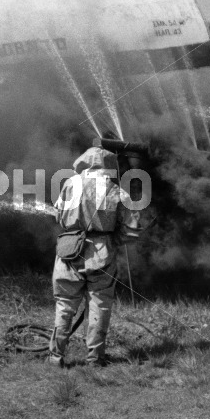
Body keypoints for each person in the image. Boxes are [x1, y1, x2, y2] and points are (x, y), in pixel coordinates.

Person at [49, 146, 143, 367]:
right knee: (99, 305)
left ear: (84, 162)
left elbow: (58, 216)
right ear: (110, 165)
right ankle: (95, 358)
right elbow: (132, 229)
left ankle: (55, 357)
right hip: (101, 252)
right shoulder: (116, 191)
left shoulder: (69, 185)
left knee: (64, 305)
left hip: (69, 250)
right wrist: (113, 241)